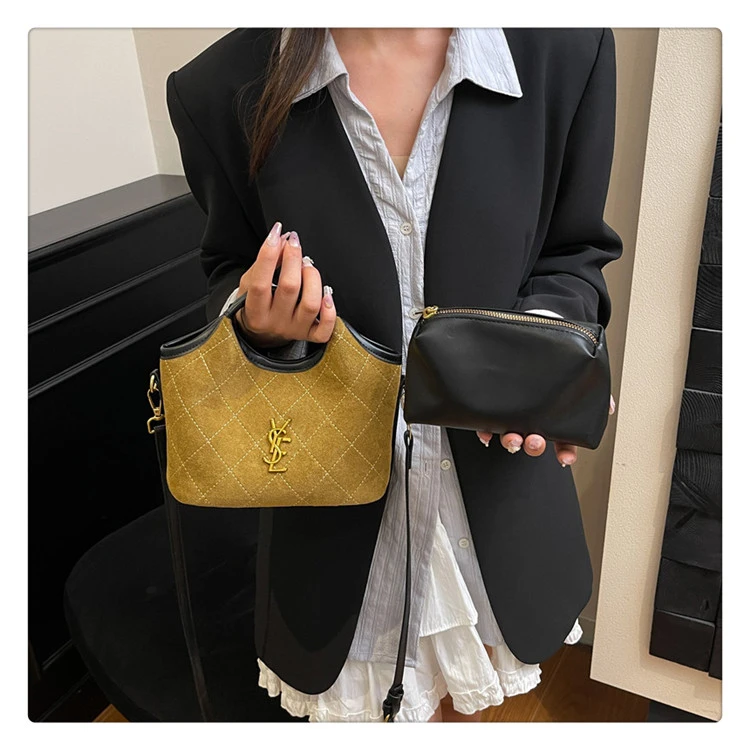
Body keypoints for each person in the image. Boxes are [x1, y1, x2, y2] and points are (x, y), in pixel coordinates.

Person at [165, 26, 622, 722]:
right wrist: (262, 322)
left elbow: (574, 251)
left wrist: (544, 358)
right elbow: (226, 266)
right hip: (333, 533)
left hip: (499, 510)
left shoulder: (565, 48)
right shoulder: (216, 88)